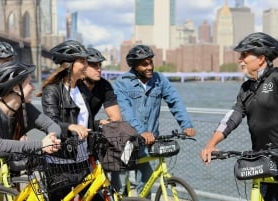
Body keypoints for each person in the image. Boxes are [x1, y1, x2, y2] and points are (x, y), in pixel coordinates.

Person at [201, 32, 278, 200]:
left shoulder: (276, 78)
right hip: (262, 160)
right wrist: (211, 144)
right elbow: (232, 117)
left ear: (261, 59)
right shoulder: (245, 88)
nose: (239, 60)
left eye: (244, 55)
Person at [113, 44, 196, 197]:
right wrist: (141, 131)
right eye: (145, 64)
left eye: (151, 62)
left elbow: (175, 101)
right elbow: (126, 113)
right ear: (135, 66)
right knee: (119, 183)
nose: (150, 66)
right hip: (126, 142)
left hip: (148, 141)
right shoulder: (122, 83)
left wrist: (186, 124)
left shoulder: (159, 80)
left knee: (146, 182)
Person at [0, 61, 61, 200]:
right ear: (16, 88)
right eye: (29, 84)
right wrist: (41, 145)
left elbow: (52, 125)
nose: (33, 88)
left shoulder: (24, 109)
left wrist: (52, 138)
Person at [37, 40, 92, 200]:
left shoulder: (83, 89)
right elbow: (50, 122)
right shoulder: (52, 90)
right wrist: (71, 127)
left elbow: (86, 121)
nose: (86, 65)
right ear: (69, 65)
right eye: (82, 61)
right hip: (59, 163)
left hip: (82, 160)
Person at [77, 47, 122, 128]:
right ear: (83, 66)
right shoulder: (73, 85)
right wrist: (96, 123)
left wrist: (105, 124)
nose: (99, 69)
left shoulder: (104, 85)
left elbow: (116, 119)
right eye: (94, 65)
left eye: (100, 65)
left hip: (90, 130)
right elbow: (65, 120)